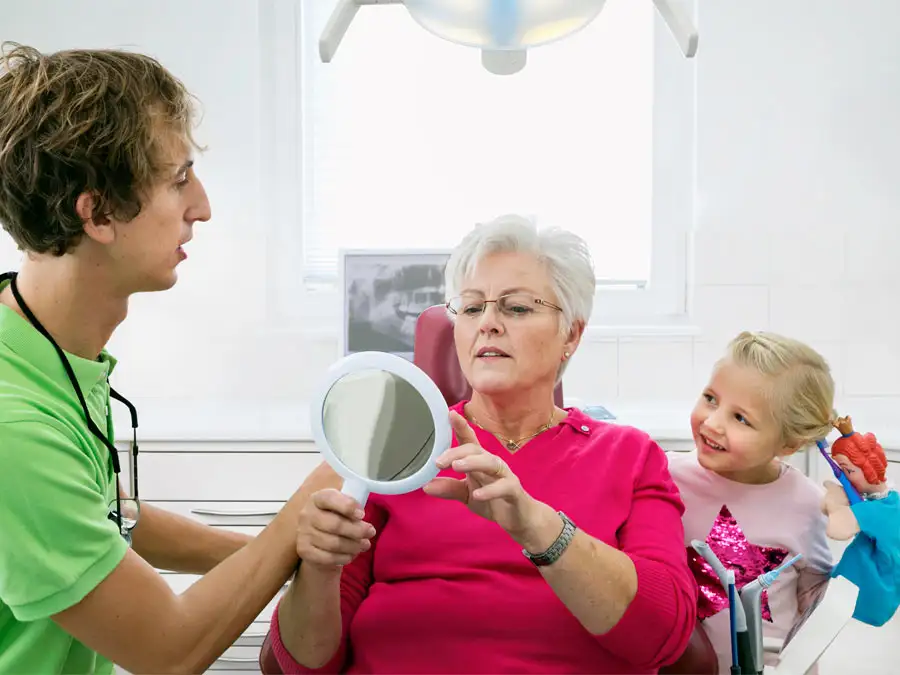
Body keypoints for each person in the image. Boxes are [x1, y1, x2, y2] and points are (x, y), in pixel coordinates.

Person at [0, 42, 338, 674]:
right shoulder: (13, 430)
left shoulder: (36, 345)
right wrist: (323, 488)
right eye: (178, 180)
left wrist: (275, 553)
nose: (201, 207)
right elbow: (169, 649)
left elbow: (108, 515)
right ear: (97, 212)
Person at [260, 214, 698, 674]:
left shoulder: (629, 455)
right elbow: (306, 665)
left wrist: (537, 527)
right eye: (471, 308)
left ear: (571, 333)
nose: (487, 323)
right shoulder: (395, 450)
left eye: (517, 307)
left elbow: (662, 640)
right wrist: (319, 568)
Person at [667, 331, 835, 673]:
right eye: (711, 398)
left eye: (741, 418)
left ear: (789, 443)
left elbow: (816, 605)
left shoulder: (806, 505)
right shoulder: (662, 475)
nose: (712, 423)